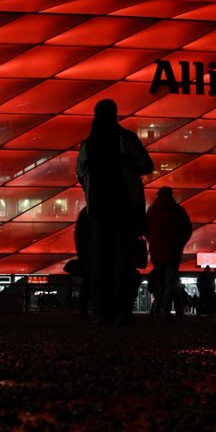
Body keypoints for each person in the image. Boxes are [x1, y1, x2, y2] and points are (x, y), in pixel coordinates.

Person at [75, 98, 154, 325]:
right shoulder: (125, 138)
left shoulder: (87, 145)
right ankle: (121, 311)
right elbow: (146, 165)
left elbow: (80, 173)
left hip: (98, 209)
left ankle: (101, 311)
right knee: (123, 259)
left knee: (100, 259)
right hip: (125, 206)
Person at [145, 187, 192, 320]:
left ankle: (159, 305)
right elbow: (187, 230)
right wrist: (180, 243)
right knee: (170, 281)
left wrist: (152, 242)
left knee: (159, 280)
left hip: (157, 252)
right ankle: (166, 309)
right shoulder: (178, 211)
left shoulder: (152, 211)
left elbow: (145, 228)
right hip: (173, 251)